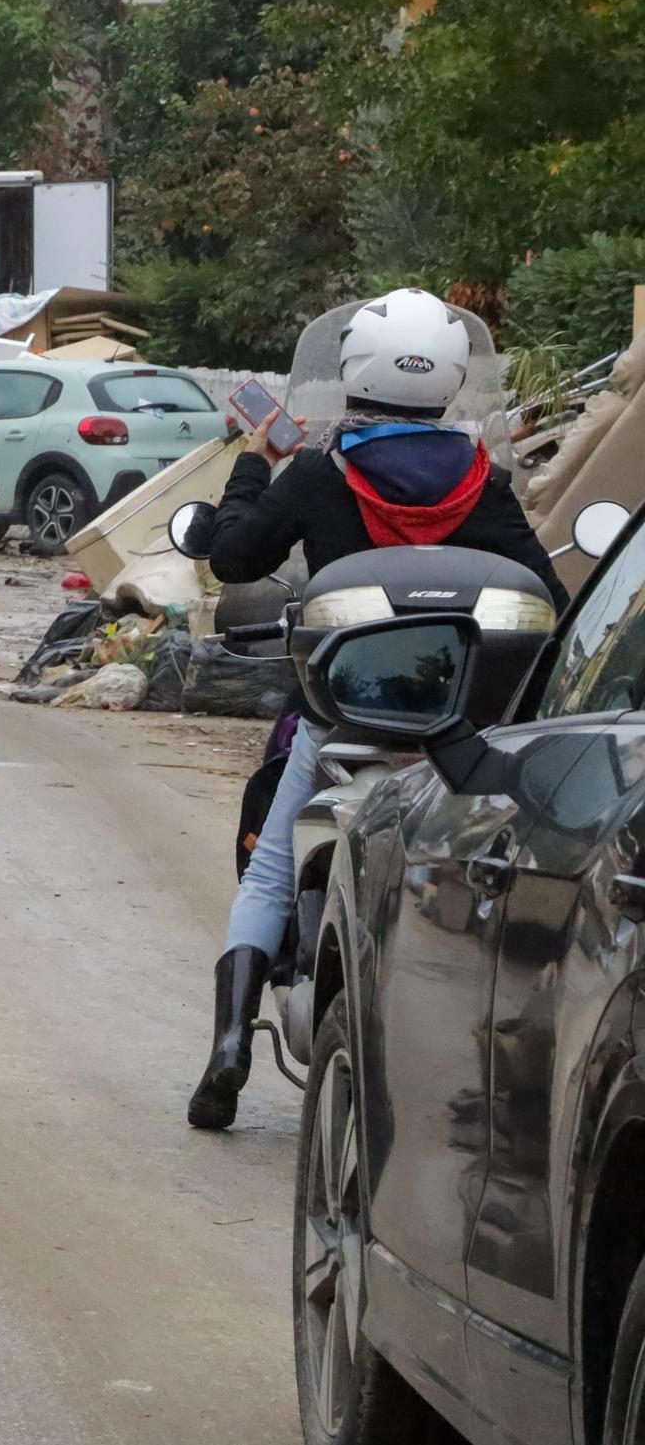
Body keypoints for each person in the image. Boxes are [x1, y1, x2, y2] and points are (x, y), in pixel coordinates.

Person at [186, 287, 568, 1131]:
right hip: (452, 726)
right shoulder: (485, 485)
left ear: (356, 365)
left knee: (273, 869)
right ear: (450, 376)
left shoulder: (323, 472)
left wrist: (254, 461)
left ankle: (227, 1050)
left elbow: (233, 554)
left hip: (343, 720)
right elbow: (551, 596)